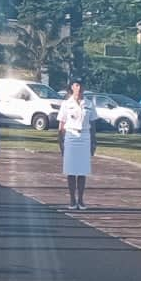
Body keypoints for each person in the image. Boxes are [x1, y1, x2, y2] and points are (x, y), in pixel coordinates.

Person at [58, 78, 98, 209]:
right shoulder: (66, 103)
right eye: (76, 85)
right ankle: (71, 199)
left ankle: (80, 199)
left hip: (85, 136)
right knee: (71, 170)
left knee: (82, 170)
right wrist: (60, 142)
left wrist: (94, 141)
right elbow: (61, 125)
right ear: (72, 87)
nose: (79, 88)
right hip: (71, 136)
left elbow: (93, 124)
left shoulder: (89, 103)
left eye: (81, 85)